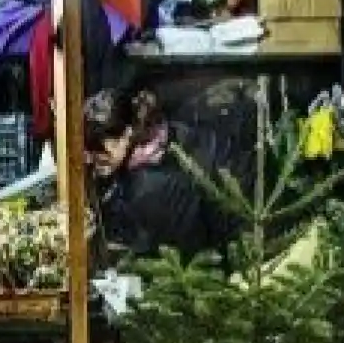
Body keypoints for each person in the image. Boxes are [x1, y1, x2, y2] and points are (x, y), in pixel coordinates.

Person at [85, 86, 248, 262]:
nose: (93, 159)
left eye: (99, 151)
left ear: (126, 134)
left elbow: (175, 245)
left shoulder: (150, 184)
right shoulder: (164, 138)